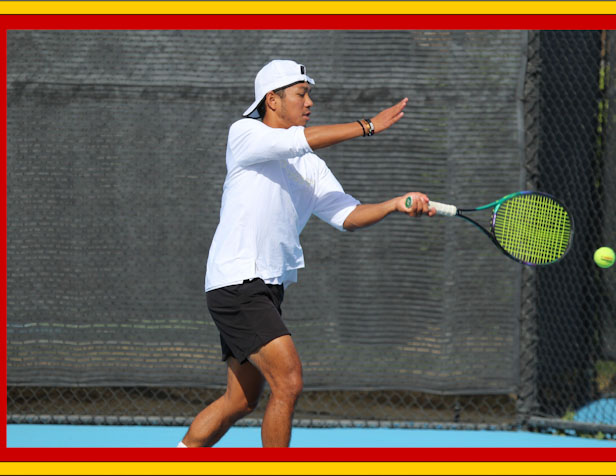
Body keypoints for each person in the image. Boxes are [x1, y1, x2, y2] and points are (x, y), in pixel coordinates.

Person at [180, 59, 434, 448]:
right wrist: (369, 125)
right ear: (273, 100)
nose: (310, 102)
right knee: (289, 381)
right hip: (239, 282)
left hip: (266, 287)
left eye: (309, 94)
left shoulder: (310, 166)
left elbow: (346, 215)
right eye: (301, 94)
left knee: (241, 399)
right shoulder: (245, 133)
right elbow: (298, 140)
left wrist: (394, 204)